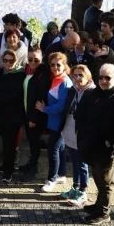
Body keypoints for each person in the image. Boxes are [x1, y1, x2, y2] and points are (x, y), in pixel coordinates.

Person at [76, 63, 114, 225]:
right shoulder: (92, 93)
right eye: (101, 77)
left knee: (105, 181)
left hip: (107, 148)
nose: (103, 81)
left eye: (107, 78)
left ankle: (104, 211)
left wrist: (110, 143)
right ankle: (98, 204)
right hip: (91, 145)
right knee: (97, 177)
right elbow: (80, 113)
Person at [58, 65, 94, 208]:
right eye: (75, 75)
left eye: (81, 75)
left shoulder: (91, 93)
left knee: (82, 164)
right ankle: (75, 187)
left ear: (88, 77)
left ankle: (83, 191)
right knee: (74, 161)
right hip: (70, 131)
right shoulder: (73, 90)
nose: (77, 78)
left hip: (82, 134)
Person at [37, 52, 73, 193]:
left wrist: (44, 108)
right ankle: (61, 174)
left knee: (53, 149)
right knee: (60, 147)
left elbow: (62, 106)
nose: (55, 67)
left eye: (58, 64)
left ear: (64, 66)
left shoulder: (64, 82)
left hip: (60, 121)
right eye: (52, 65)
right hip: (55, 121)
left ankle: (51, 179)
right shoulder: (56, 79)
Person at [0, 49, 26, 184]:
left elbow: (14, 95)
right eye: (5, 60)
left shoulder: (20, 75)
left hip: (14, 116)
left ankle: (8, 171)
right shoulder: (2, 73)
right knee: (5, 142)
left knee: (10, 144)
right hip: (2, 114)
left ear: (16, 61)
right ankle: (5, 166)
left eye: (11, 60)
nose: (8, 63)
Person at [17, 46, 48, 180]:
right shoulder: (28, 71)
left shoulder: (42, 74)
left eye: (36, 60)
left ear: (41, 59)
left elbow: (41, 98)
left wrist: (33, 119)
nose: (33, 62)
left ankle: (33, 169)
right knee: (31, 142)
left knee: (35, 143)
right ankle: (30, 163)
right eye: (30, 59)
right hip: (26, 112)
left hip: (35, 116)